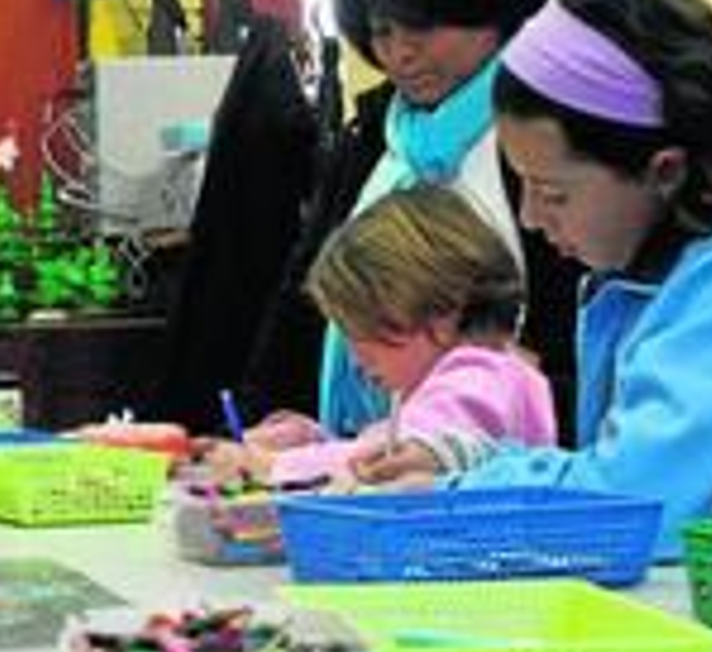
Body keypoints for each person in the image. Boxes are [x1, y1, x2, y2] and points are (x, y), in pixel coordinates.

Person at [357, 0, 712, 557]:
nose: (528, 217)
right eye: (521, 185)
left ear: (664, 171)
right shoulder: (660, 273)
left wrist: (453, 496)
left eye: (552, 193)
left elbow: (633, 505)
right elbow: (618, 462)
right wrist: (465, 459)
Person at [238, 0, 581, 448]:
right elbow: (305, 306)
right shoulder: (373, 137)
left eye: (422, 26)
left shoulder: (546, 136)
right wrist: (277, 421)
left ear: (494, 12)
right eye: (382, 30)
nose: (400, 52)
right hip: (358, 456)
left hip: (504, 467)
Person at [199, 183, 557, 485]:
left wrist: (269, 466)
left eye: (365, 330)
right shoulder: (472, 379)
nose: (357, 359)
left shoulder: (479, 378)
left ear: (441, 311)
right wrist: (310, 441)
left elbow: (390, 460)